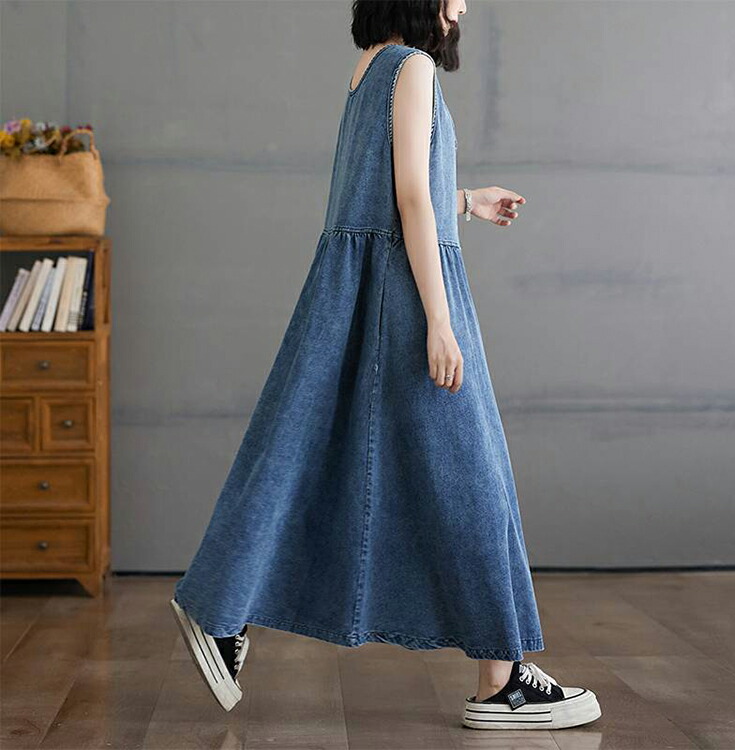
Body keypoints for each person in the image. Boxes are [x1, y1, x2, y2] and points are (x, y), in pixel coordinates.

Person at [170, 0, 602, 730]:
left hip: (356, 291)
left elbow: (383, 192)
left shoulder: (370, 66)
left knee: (297, 451)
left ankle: (220, 606)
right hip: (407, 292)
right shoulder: (414, 67)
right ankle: (501, 685)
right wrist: (439, 318)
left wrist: (466, 199)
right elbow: (406, 198)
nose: (462, 4)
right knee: (474, 479)